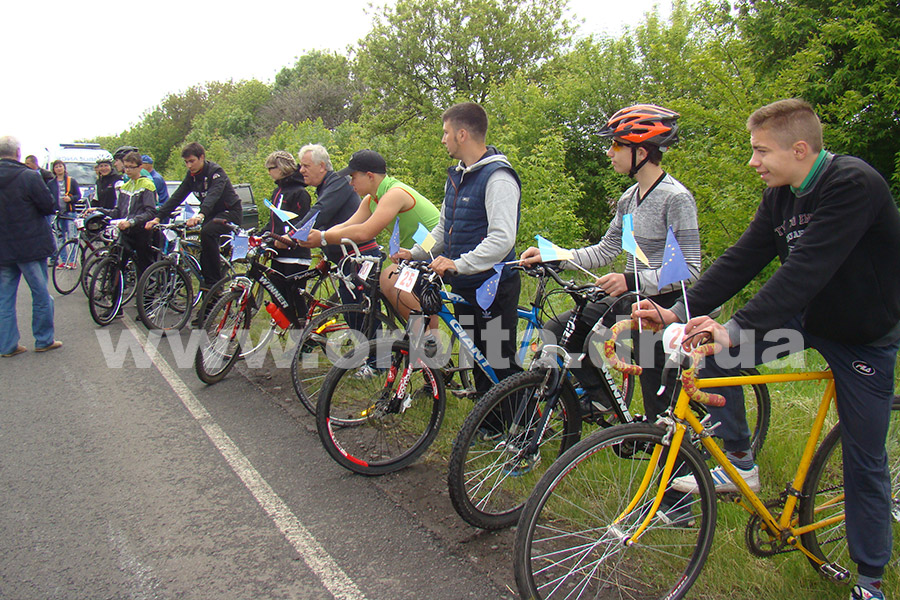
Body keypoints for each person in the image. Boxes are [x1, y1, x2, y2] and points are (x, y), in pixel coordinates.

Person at [633, 98, 900, 600]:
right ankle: (741, 462)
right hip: (808, 318)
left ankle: (869, 580)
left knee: (864, 460)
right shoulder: (779, 195)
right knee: (711, 352)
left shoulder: (853, 185)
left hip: (862, 334)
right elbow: (742, 259)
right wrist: (676, 313)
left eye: (760, 151)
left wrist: (737, 327)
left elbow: (807, 268)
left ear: (799, 149)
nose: (753, 161)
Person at [520, 104, 700, 422]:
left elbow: (689, 270)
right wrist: (556, 255)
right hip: (632, 298)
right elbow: (606, 250)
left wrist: (629, 281)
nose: (609, 152)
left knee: (656, 395)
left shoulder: (676, 199)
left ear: (641, 152)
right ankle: (603, 401)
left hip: (664, 305)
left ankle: (673, 447)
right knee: (559, 330)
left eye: (616, 145)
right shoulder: (629, 199)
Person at [395, 102, 522, 394]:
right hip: (465, 284)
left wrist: (458, 263)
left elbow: (502, 239)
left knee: (499, 364)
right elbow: (442, 229)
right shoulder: (457, 176)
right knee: (479, 359)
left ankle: (518, 417)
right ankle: (488, 417)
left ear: (462, 134)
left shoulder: (498, 178)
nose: (443, 139)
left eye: (446, 132)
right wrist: (415, 253)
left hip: (492, 287)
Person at [308, 148, 440, 321]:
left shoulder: (395, 193)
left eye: (353, 177)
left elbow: (365, 232)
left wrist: (323, 238)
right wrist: (319, 235)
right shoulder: (372, 200)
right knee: (393, 282)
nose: (350, 183)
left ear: (370, 176)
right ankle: (422, 330)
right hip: (415, 253)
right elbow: (346, 225)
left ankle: (427, 333)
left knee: (390, 279)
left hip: (435, 249)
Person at [146, 142, 242, 291]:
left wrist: (200, 214)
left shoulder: (216, 172)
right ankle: (207, 287)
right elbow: (177, 197)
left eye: (192, 161)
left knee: (207, 232)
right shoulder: (192, 177)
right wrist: (157, 218)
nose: (189, 165)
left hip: (230, 212)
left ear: (201, 157)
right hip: (211, 214)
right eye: (186, 162)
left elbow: (213, 195)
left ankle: (216, 285)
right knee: (204, 249)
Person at [0, 136, 62, 356]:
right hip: (31, 246)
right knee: (41, 294)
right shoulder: (28, 176)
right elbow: (48, 206)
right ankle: (44, 339)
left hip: (3, 248)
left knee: (5, 298)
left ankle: (7, 345)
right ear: (18, 153)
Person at [87, 151, 157, 281]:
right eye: (126, 167)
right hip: (125, 231)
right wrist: (98, 210)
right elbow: (118, 212)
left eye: (131, 167)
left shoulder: (147, 185)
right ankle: (115, 290)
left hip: (141, 231)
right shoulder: (125, 186)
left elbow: (150, 212)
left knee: (144, 267)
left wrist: (132, 221)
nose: (128, 170)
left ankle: (148, 291)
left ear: (140, 167)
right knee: (117, 262)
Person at [47, 159, 82, 268]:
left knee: (72, 237)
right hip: (57, 214)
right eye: (56, 167)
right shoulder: (51, 183)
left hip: (70, 213)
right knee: (59, 238)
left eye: (60, 166)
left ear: (64, 168)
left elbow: (78, 196)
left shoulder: (71, 181)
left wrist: (71, 199)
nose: (59, 169)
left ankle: (72, 261)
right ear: (54, 169)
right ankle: (63, 260)